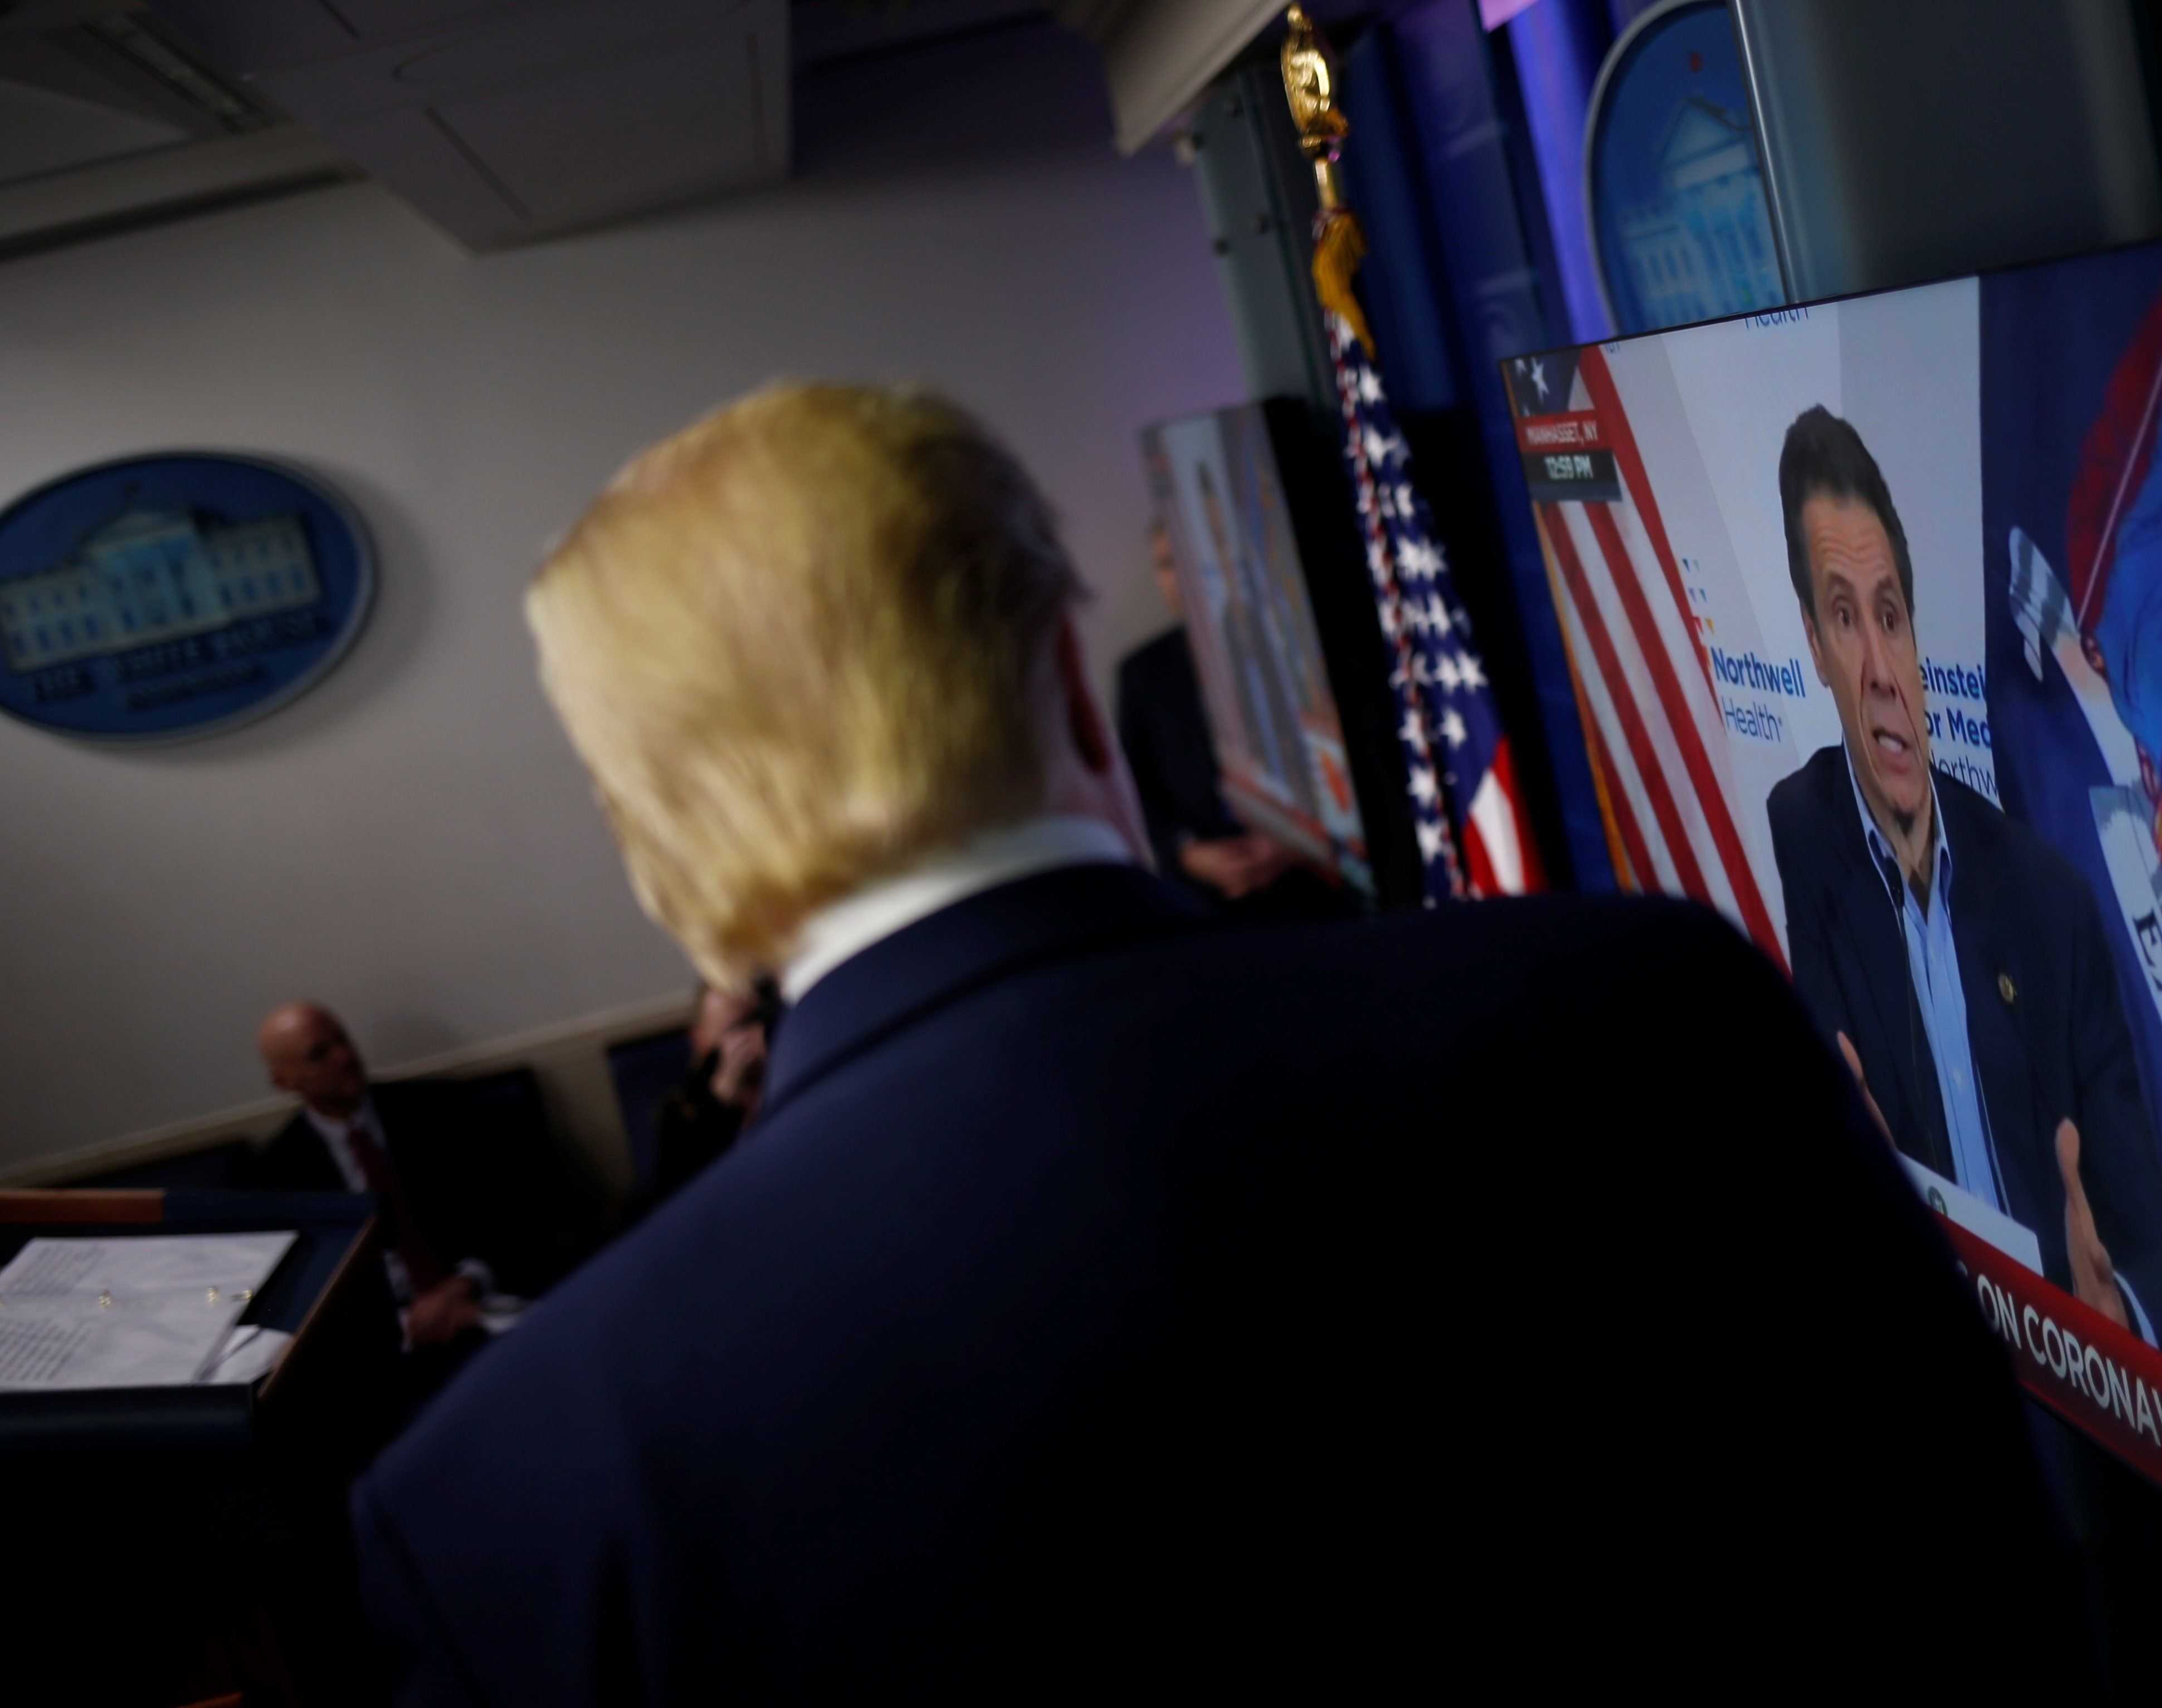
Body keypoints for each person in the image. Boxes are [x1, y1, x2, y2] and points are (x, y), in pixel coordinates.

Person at [351, 383, 2069, 1701]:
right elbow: (1997, 1585)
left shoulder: (514, 1504)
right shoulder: (1650, 1005)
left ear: (661, 863)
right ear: (1074, 683)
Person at [1763, 405, 2162, 1378]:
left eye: (1890, 616)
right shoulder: (1803, 830)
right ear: (1812, 643)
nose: (1880, 672)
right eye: (1844, 619)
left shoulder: (2051, 908)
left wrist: (2119, 1325)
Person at [248, 1002, 532, 1349]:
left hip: (487, 1299)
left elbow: (517, 1213)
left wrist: (463, 1285)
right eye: (319, 1054)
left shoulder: (440, 1108)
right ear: (284, 1081)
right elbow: (303, 1296)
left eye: (342, 1039)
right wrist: (406, 1324)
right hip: (384, 1342)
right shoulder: (276, 1174)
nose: (344, 1056)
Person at [1114, 522, 1346, 918]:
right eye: (1167, 565)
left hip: (1316, 883)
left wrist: (1299, 841)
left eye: (1192, 563)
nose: (1179, 579)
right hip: (1207, 904)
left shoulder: (1291, 648)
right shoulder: (1143, 672)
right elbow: (1136, 792)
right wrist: (1188, 853)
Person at [642, 979, 774, 1208]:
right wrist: (722, 1100)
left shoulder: (789, 1070)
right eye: (735, 1032)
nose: (750, 1041)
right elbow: (678, 1198)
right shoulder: (684, 1111)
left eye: (756, 1025)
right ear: (700, 1039)